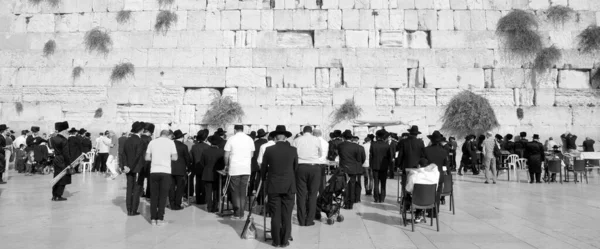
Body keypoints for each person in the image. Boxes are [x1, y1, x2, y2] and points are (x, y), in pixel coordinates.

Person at [260, 125, 298, 248]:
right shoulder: (293, 150)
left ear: (275, 137)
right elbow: (295, 168)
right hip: (289, 186)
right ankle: (284, 240)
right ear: (286, 137)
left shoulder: (269, 150)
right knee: (287, 214)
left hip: (273, 185)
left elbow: (263, 170)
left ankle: (276, 241)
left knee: (275, 214)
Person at [292, 126, 323, 226]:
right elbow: (320, 154)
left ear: (303, 131)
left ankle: (301, 219)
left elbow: (294, 154)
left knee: (301, 194)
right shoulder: (316, 140)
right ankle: (309, 220)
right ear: (311, 131)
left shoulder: (296, 140)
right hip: (314, 167)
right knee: (313, 194)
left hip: (300, 167)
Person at [145, 130, 178, 226]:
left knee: (154, 196)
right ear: (168, 135)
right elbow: (175, 158)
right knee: (163, 196)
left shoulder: (152, 142)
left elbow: (147, 158)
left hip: (154, 171)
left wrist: (155, 158)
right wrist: (166, 158)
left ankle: (153, 219)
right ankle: (160, 219)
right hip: (165, 171)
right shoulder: (171, 143)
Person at [224, 125, 255, 219]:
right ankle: (241, 212)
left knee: (235, 191)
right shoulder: (249, 139)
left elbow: (226, 155)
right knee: (243, 191)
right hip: (246, 168)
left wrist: (226, 165)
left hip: (234, 168)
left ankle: (237, 213)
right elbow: (252, 154)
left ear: (235, 130)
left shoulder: (231, 139)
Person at [121, 121, 146, 216]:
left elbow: (123, 154)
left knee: (129, 188)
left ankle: (128, 209)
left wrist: (125, 166)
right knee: (136, 189)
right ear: (141, 130)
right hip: (136, 168)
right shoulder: (140, 141)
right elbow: (137, 156)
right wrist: (130, 167)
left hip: (128, 168)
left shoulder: (127, 140)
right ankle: (133, 209)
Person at [337, 130, 365, 209]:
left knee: (345, 185)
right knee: (352, 185)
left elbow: (339, 155)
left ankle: (346, 202)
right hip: (353, 168)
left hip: (344, 168)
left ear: (343, 137)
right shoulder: (357, 147)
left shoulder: (340, 145)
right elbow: (360, 159)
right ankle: (351, 203)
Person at [199, 135, 226, 212]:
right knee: (216, 190)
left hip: (207, 173)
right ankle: (215, 206)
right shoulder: (221, 152)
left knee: (208, 191)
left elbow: (202, 163)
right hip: (217, 174)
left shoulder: (205, 151)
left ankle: (209, 207)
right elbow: (223, 164)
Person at [422, 131, 449, 203]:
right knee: (438, 193)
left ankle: (428, 207)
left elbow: (422, 163)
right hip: (439, 175)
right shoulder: (444, 151)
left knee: (428, 192)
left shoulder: (426, 150)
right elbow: (445, 164)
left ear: (431, 140)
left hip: (428, 175)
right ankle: (435, 211)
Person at [169, 130, 191, 211]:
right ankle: (177, 204)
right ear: (181, 138)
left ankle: (171, 204)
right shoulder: (183, 146)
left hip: (170, 169)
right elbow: (187, 159)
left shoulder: (170, 145)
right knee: (180, 188)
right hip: (181, 170)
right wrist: (189, 168)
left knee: (171, 187)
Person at [50, 121, 71, 201]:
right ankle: (58, 195)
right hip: (62, 160)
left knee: (56, 177)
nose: (67, 131)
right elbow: (66, 153)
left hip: (56, 159)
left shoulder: (53, 139)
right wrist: (69, 164)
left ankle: (54, 195)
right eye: (66, 130)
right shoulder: (64, 140)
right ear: (63, 130)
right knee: (63, 178)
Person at [370, 130, 392, 203]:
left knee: (376, 183)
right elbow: (390, 157)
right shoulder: (387, 145)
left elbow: (371, 155)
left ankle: (376, 198)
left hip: (375, 166)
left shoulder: (373, 144)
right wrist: (389, 166)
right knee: (383, 183)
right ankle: (382, 198)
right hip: (384, 166)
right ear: (383, 137)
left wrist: (371, 165)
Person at [190, 130, 210, 204]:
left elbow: (191, 157)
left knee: (198, 183)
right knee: (205, 184)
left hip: (196, 167)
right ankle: (204, 199)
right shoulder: (207, 147)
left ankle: (198, 199)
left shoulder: (194, 147)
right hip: (205, 167)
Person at [250, 129, 268, 201]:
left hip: (255, 164)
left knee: (255, 179)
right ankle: (263, 195)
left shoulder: (254, 143)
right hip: (264, 163)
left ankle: (253, 192)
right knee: (264, 180)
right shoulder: (266, 143)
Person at [140, 123, 155, 198]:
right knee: (149, 178)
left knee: (140, 178)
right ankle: (148, 193)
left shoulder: (139, 137)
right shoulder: (149, 139)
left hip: (140, 161)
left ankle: (140, 192)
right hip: (148, 161)